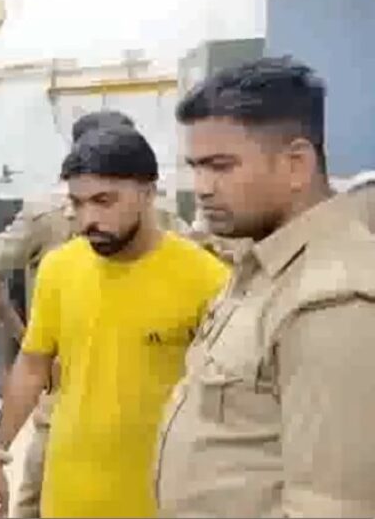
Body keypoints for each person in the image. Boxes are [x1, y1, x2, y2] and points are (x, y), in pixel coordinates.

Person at [155, 57, 375, 517]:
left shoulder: (331, 300)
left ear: (296, 164)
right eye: (195, 167)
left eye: (220, 166)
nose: (202, 188)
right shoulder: (262, 263)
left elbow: (329, 507)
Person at [0, 126, 230, 518]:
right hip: (70, 494)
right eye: (77, 204)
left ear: (148, 193)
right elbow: (32, 365)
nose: (87, 220)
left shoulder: (207, 279)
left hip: (164, 499)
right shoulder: (59, 268)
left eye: (103, 201)